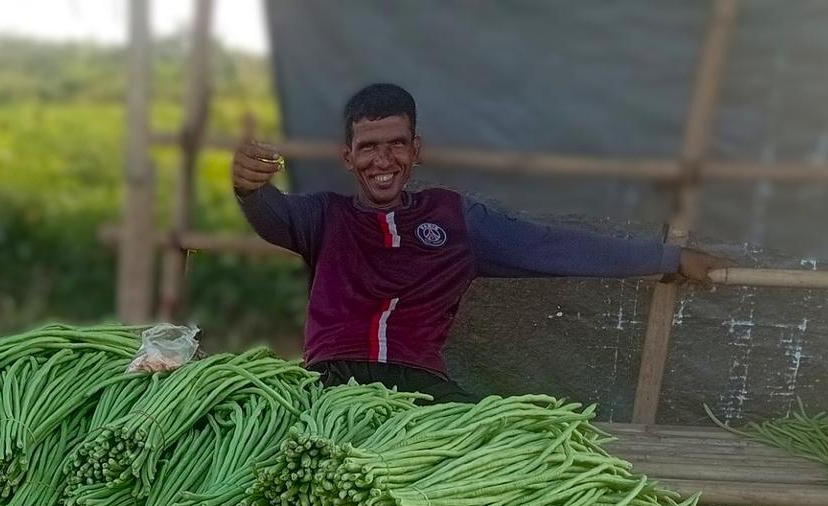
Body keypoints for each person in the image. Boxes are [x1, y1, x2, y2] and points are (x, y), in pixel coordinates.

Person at [233, 82, 731, 400]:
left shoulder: (455, 218)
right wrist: (248, 187)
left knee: (514, 450)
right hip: (330, 384)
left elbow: (551, 247)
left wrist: (670, 256)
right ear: (348, 157)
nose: (382, 161)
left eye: (396, 145)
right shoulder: (324, 216)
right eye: (368, 148)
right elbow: (270, 213)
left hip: (420, 389)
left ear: (416, 150)